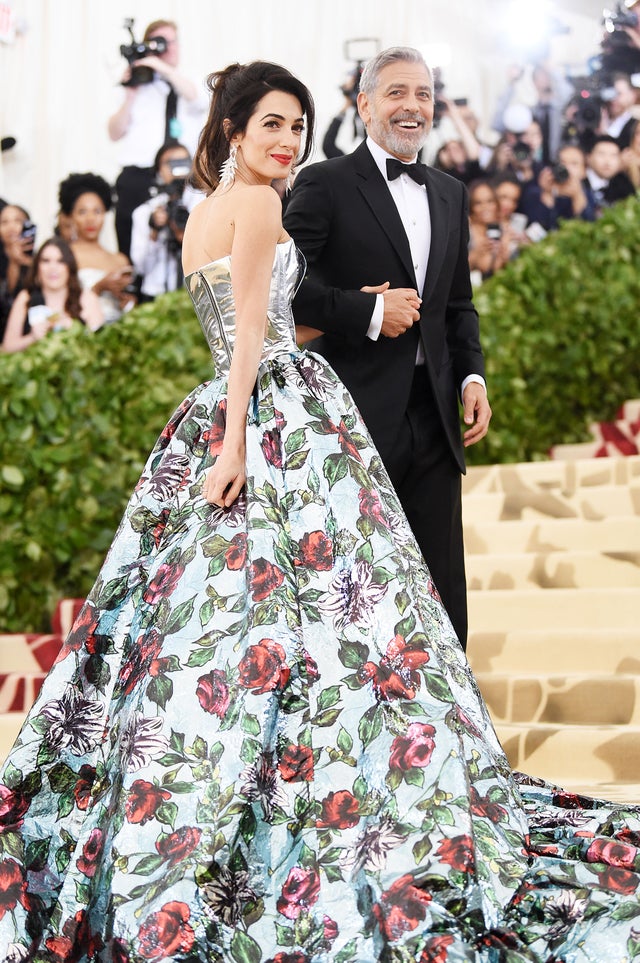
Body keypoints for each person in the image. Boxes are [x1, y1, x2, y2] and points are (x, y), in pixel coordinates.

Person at [3, 58, 640, 963]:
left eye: (295, 126)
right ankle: (345, 790)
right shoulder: (263, 205)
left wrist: (265, 389)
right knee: (333, 613)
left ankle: (233, 793)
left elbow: (246, 317)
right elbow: (258, 332)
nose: (286, 141)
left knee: (225, 624)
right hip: (275, 416)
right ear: (231, 129)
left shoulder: (206, 215)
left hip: (232, 408)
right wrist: (235, 440)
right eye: (270, 124)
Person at [284, 46, 491, 648]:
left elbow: (457, 305)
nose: (412, 106)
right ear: (365, 104)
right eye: (397, 92)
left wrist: (471, 378)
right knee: (359, 588)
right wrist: (369, 311)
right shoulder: (323, 182)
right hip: (353, 416)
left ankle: (456, 733)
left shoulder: (450, 192)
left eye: (423, 94)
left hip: (435, 416)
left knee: (444, 592)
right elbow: (284, 289)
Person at [107, 18, 208, 258]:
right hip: (139, 175)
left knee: (186, 242)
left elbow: (199, 100)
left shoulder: (188, 81)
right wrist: (130, 93)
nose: (168, 48)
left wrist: (162, 69)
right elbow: (114, 132)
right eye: (160, 43)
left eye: (171, 42)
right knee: (132, 240)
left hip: (180, 175)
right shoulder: (136, 87)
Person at [58, 171, 136, 326]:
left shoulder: (119, 259)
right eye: (82, 212)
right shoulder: (64, 256)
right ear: (71, 217)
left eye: (97, 211)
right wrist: (98, 288)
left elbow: (129, 308)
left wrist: (128, 303)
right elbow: (59, 303)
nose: (90, 219)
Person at [1, 236, 102, 352]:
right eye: (46, 261)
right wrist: (32, 337)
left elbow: (99, 345)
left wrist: (74, 329)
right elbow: (7, 347)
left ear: (69, 267)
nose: (53, 268)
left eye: (60, 261)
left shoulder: (86, 297)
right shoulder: (25, 297)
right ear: (37, 266)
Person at [130, 141, 203, 300]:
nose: (177, 169)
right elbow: (140, 268)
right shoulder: (144, 212)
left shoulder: (205, 204)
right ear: (158, 170)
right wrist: (155, 231)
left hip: (198, 294)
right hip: (157, 295)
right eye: (170, 163)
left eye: (184, 162)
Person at [0, 203, 34, 342]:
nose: (11, 227)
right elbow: (6, 299)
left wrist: (25, 261)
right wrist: (14, 262)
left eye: (18, 220)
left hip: (32, 331)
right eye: (4, 222)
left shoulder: (40, 258)